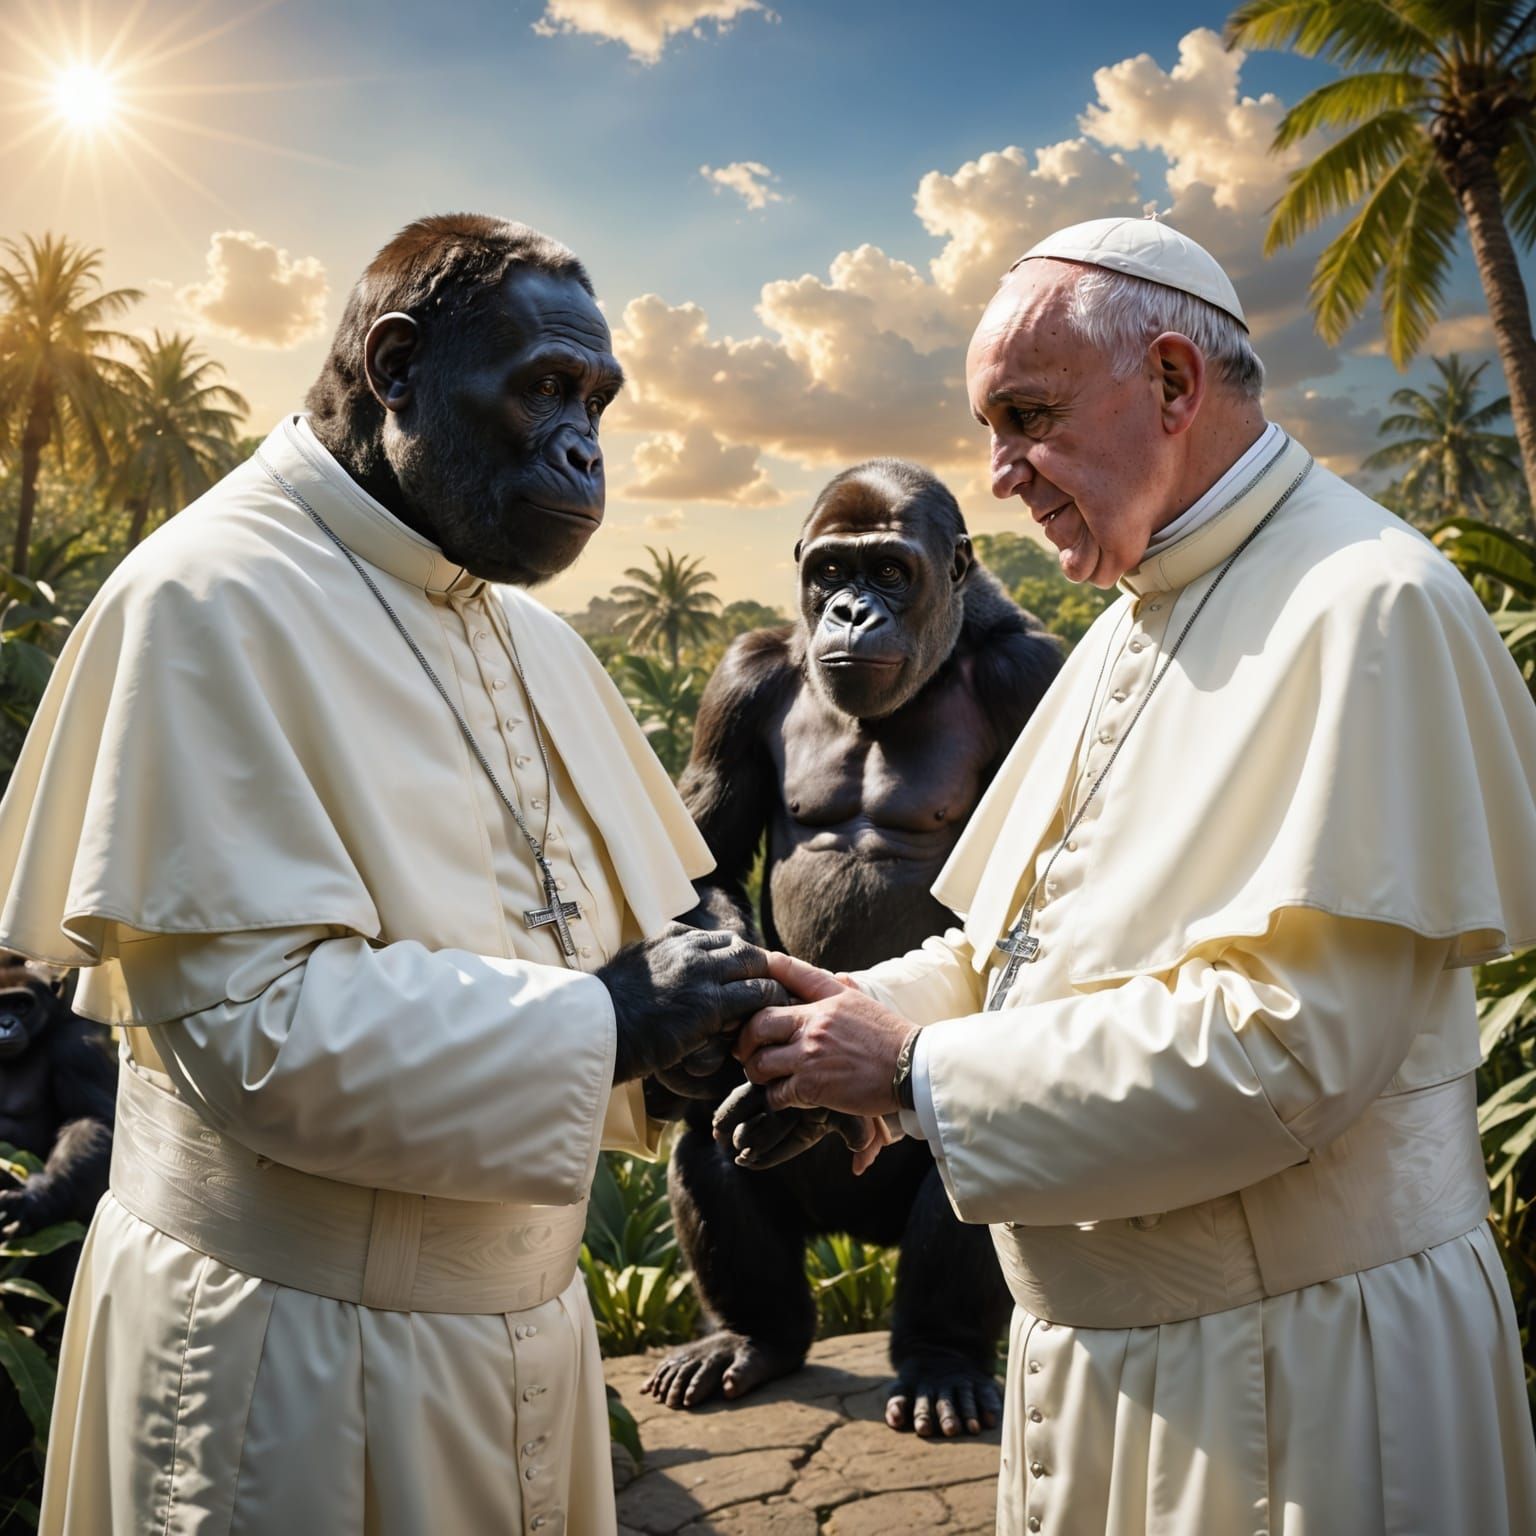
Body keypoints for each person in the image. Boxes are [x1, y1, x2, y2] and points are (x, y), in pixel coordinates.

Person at [734, 216, 1536, 1534]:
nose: (1000, 475)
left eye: (1029, 418)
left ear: (1172, 381)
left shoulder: (1368, 605)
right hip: (1110, 1366)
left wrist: (912, 1072)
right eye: (991, 429)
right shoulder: (1128, 622)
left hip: (1295, 1383)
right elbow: (1019, 949)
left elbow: (1288, 1054)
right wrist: (845, 1014)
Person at [0, 214, 783, 1536]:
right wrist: (613, 1020)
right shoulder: (205, 601)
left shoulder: (535, 639)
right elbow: (251, 1033)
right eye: (545, 389)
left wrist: (699, 1048)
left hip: (526, 1336)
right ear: (398, 366)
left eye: (597, 404)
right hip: (289, 1366)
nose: (583, 446)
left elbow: (629, 936)